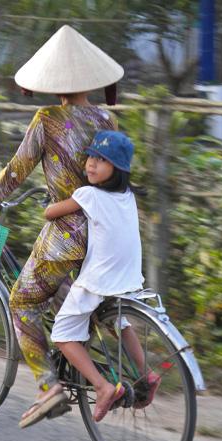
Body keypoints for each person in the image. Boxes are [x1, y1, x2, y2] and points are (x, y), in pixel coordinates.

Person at [0, 25, 125, 427]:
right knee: (80, 299)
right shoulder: (105, 117)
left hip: (66, 234)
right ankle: (119, 369)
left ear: (52, 82)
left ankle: (49, 387)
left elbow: (14, 175)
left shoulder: (47, 119)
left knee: (23, 302)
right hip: (106, 231)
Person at [44, 130, 161, 424]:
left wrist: (49, 201)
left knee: (62, 334)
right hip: (129, 277)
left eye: (102, 160)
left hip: (99, 279)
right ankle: (147, 372)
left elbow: (51, 213)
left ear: (117, 168)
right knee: (118, 320)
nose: (91, 165)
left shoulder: (89, 195)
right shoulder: (128, 195)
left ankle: (102, 386)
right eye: (91, 157)